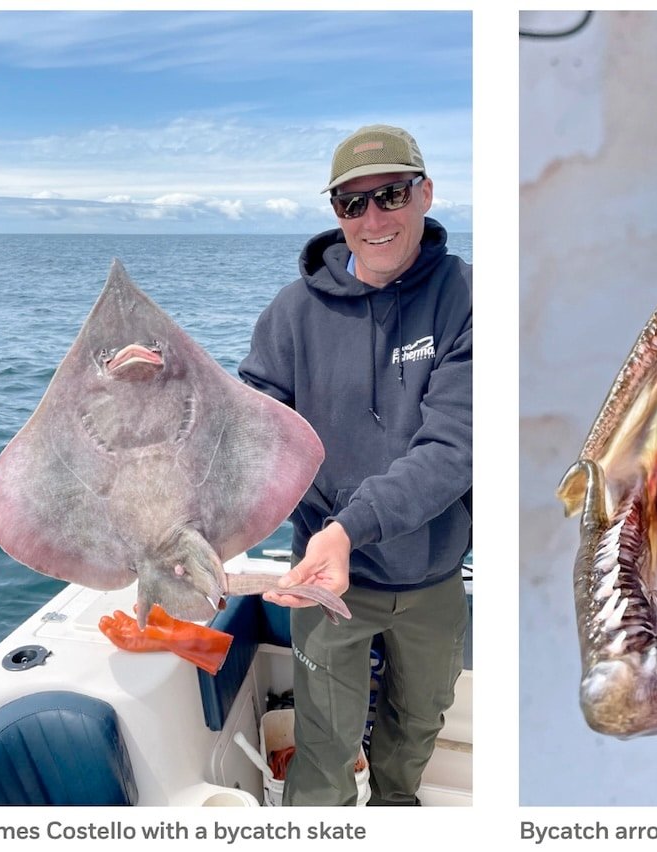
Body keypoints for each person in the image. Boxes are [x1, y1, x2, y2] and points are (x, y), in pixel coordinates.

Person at [238, 124, 472, 806]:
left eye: (392, 193)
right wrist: (164, 392)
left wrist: (349, 528)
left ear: (425, 193)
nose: (373, 218)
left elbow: (453, 447)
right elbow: (252, 432)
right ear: (335, 212)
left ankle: (399, 808)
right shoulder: (289, 316)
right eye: (351, 202)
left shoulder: (467, 298)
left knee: (418, 722)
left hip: (429, 571)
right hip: (321, 575)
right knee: (324, 745)